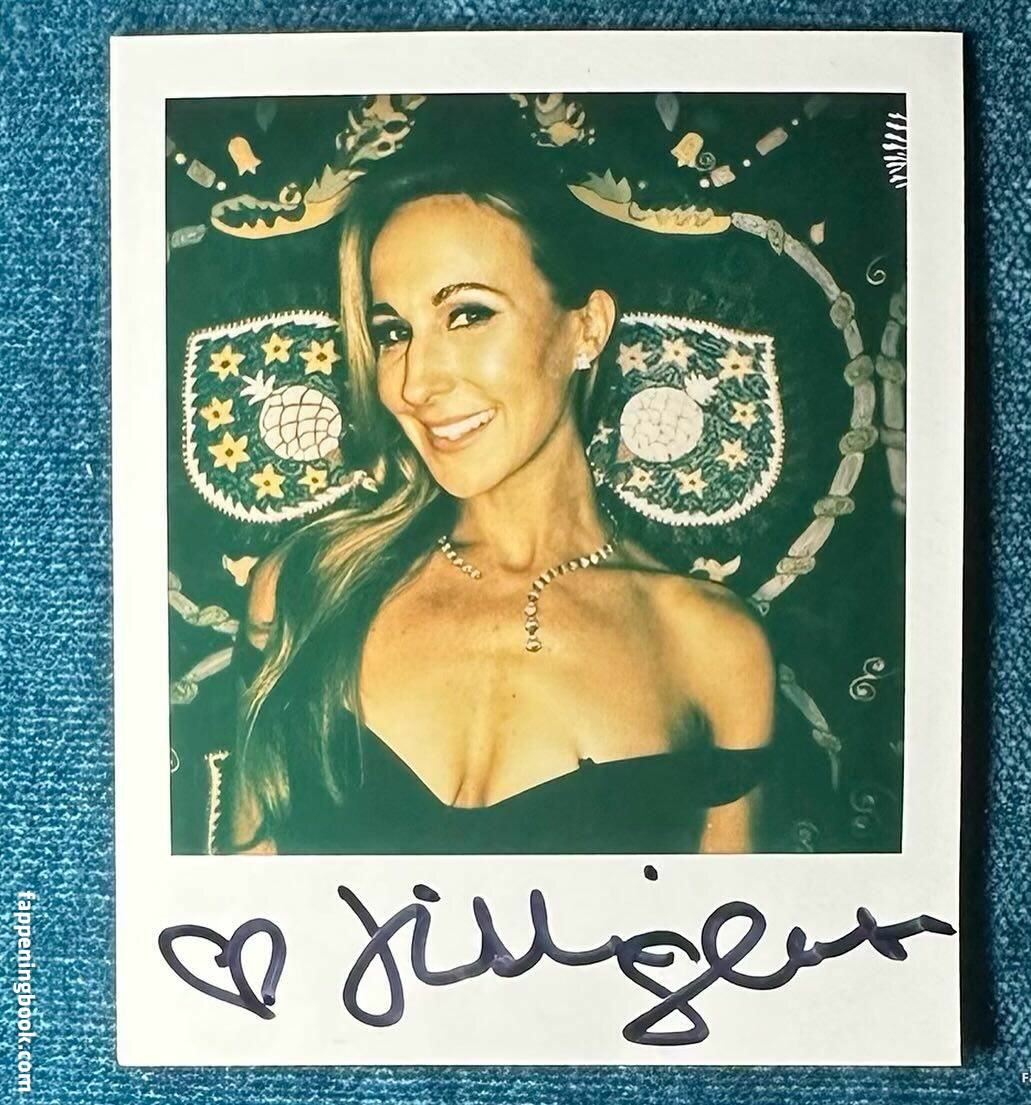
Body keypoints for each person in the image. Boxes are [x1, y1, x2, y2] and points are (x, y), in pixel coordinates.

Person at [222, 163, 775, 855]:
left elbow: (728, 919)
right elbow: (239, 899)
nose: (415, 383)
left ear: (585, 329)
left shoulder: (713, 647)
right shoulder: (305, 588)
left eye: (468, 315)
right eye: (393, 331)